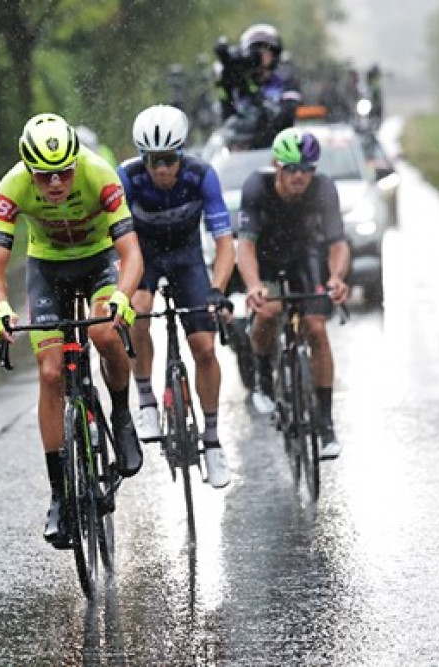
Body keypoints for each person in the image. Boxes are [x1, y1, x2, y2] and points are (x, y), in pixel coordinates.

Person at [0, 112, 144, 547]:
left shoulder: (100, 173)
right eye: (45, 176)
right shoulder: (12, 185)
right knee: (51, 372)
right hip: (47, 268)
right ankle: (59, 495)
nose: (56, 184)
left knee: (105, 333)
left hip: (99, 260)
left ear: (77, 162)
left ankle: (122, 415)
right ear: (29, 171)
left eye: (64, 173)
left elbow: (131, 253)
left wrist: (123, 297)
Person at [117, 104, 235, 488]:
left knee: (203, 347)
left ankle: (213, 441)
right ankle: (147, 398)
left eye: (168, 160)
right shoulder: (127, 178)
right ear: (142, 158)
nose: (161, 170)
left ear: (181, 154)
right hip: (144, 257)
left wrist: (217, 289)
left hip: (187, 258)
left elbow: (223, 242)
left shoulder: (202, 175)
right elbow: (115, 240)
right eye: (153, 161)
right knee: (138, 308)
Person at [235, 128, 350, 459]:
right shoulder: (256, 187)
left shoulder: (324, 189)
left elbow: (337, 244)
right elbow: (245, 245)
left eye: (307, 168)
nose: (300, 176)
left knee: (316, 327)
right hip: (267, 260)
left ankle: (326, 425)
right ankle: (263, 376)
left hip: (305, 257)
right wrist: (254, 284)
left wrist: (337, 278)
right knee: (268, 312)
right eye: (292, 168)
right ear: (277, 166)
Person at [214, 23, 302, 149]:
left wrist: (261, 104)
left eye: (266, 51)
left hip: (277, 148)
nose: (261, 56)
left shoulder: (284, 79)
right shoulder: (238, 82)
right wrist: (227, 71)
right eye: (256, 51)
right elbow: (227, 120)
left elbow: (286, 117)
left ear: (275, 55)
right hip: (240, 151)